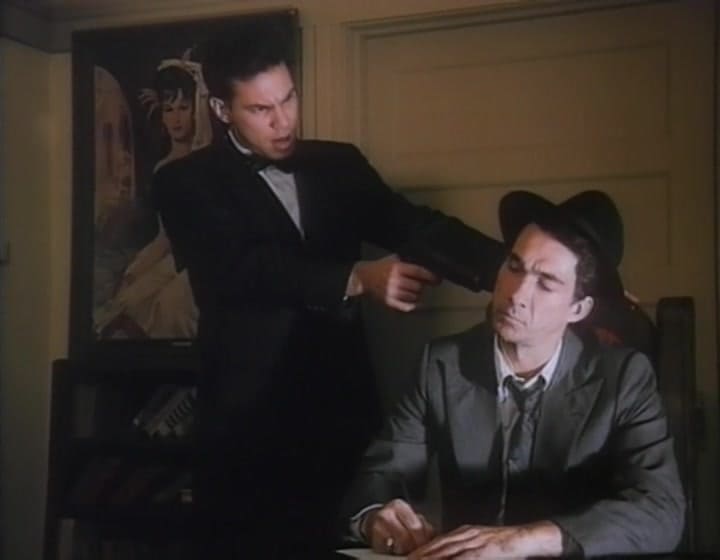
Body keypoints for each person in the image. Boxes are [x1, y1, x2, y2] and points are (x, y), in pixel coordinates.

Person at [152, 21, 504, 558]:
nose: (284, 121)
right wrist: (358, 277)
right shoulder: (182, 182)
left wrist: (517, 273)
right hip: (248, 428)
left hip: (343, 416)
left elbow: (416, 227)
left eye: (289, 99)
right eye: (261, 109)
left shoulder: (339, 164)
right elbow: (242, 269)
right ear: (222, 110)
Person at [342, 190, 685, 559]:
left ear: (578, 309)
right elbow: (382, 473)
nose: (516, 293)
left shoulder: (624, 376)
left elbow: (661, 511)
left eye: (546, 282)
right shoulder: (441, 364)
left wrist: (526, 539)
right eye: (515, 267)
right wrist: (375, 516)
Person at [96, 52, 212, 338]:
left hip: (200, 258)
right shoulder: (163, 168)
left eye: (184, 108)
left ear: (196, 110)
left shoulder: (206, 160)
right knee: (127, 299)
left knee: (168, 304)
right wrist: (139, 266)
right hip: (169, 256)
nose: (176, 118)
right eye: (169, 109)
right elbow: (164, 236)